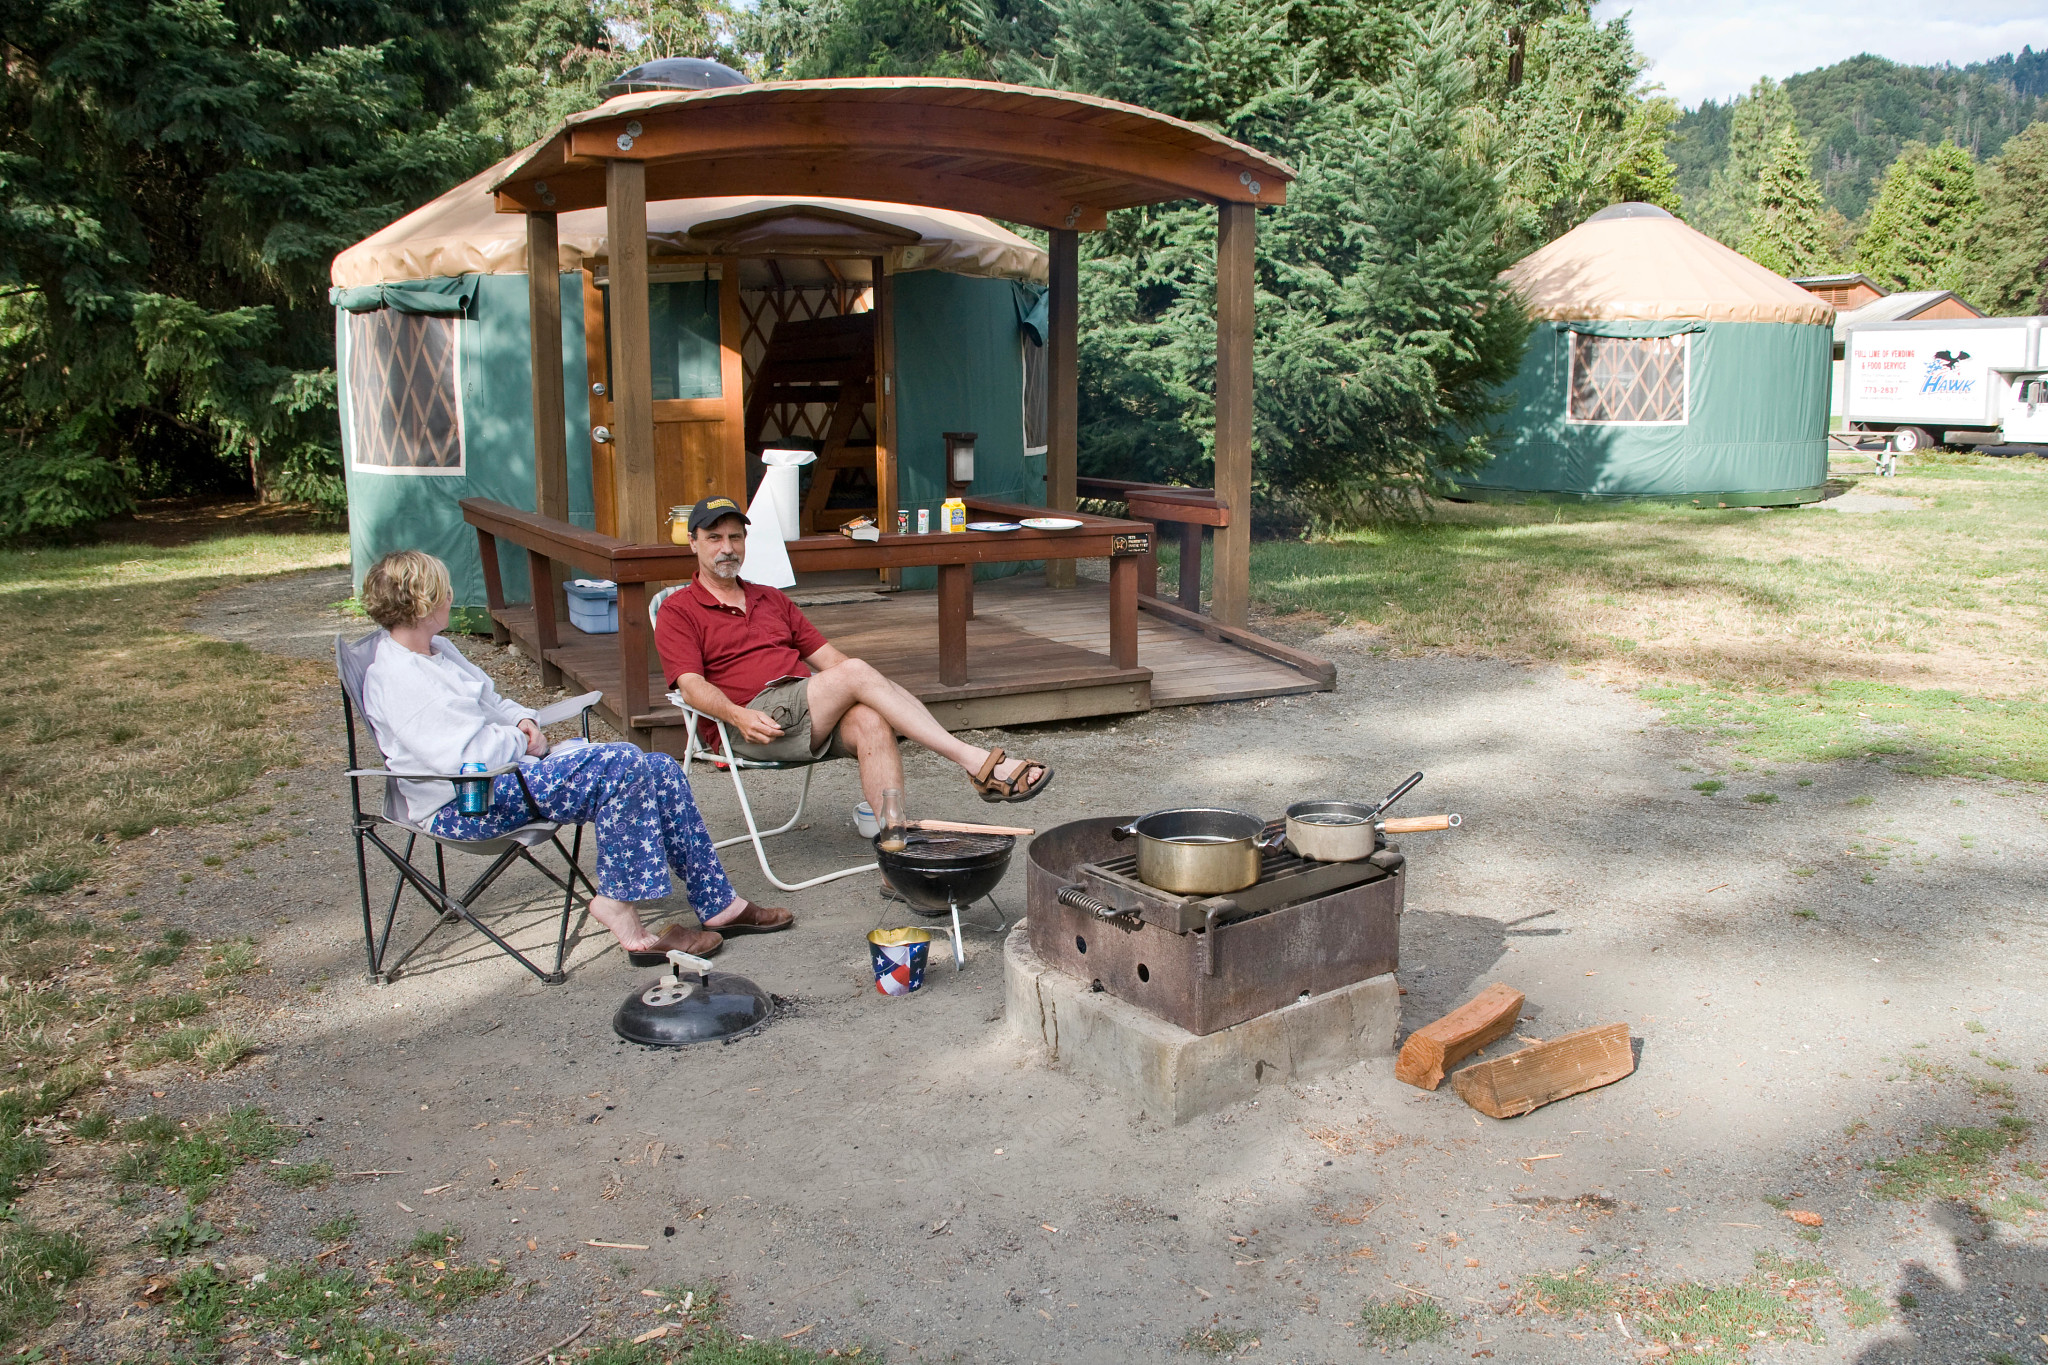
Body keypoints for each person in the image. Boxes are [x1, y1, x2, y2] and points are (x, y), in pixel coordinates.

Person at [356, 549, 791, 961]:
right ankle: (621, 910)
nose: (450, 596)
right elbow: (468, 757)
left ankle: (718, 904)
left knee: (657, 766)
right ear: (423, 602)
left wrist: (524, 721)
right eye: (444, 590)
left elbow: (495, 703)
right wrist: (521, 739)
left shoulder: (438, 651)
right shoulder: (398, 678)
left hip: (509, 775)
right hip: (467, 802)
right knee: (621, 767)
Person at [655, 497, 1053, 814]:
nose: (727, 548)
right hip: (751, 723)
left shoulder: (769, 598)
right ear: (693, 542)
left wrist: (870, 692)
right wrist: (738, 716)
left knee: (870, 718)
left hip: (805, 711)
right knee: (857, 672)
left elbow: (832, 661)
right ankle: (977, 762)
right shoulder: (679, 610)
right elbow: (690, 686)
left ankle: (895, 850)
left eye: (735, 537)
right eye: (714, 538)